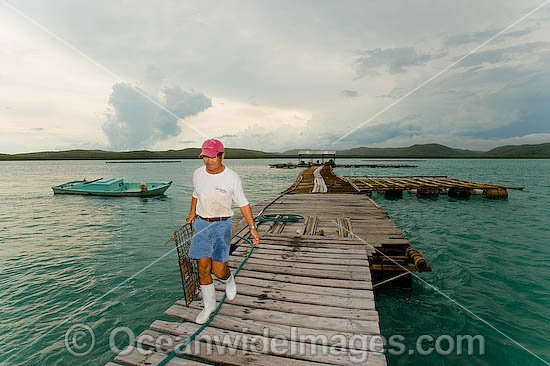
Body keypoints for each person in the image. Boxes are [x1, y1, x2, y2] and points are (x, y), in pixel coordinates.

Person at [186, 138, 260, 324]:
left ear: (222, 155)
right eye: (205, 157)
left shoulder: (232, 177)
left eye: (212, 157)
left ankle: (228, 279)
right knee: (202, 268)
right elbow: (196, 194)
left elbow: (243, 203)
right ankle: (208, 305)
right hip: (202, 224)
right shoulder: (197, 173)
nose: (208, 161)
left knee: (218, 271)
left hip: (222, 225)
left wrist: (252, 228)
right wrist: (191, 213)